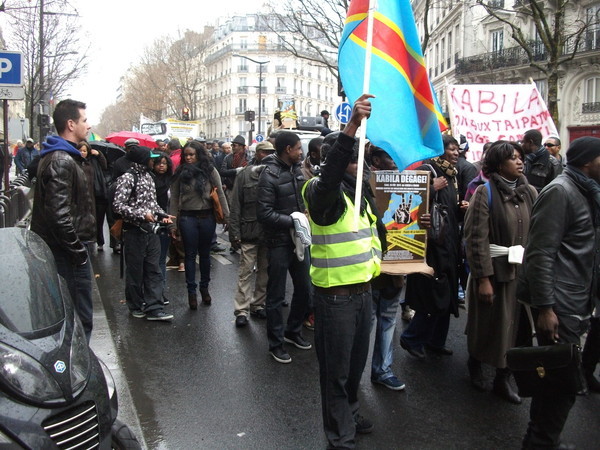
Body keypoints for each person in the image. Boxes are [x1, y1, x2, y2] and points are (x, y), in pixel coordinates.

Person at [303, 95, 384, 447]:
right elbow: (331, 174)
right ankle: (340, 437)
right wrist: (350, 127)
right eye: (355, 159)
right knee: (335, 374)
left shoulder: (359, 194)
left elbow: (372, 238)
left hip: (363, 295)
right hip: (335, 300)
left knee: (353, 370)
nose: (361, 164)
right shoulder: (320, 192)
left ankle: (350, 413)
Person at [518, 136, 600, 449]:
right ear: (587, 161)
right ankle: (541, 441)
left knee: (556, 378)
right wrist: (545, 308)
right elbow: (540, 253)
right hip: (560, 302)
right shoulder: (560, 191)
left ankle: (542, 439)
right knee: (560, 381)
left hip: (577, 298)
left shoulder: (587, 191)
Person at [464, 141, 537, 403]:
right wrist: (484, 279)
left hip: (522, 273)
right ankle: (475, 363)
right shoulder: (485, 193)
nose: (519, 162)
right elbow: (475, 240)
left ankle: (502, 379)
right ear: (497, 164)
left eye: (521, 157)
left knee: (517, 328)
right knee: (487, 324)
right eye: (513, 158)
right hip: (495, 272)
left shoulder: (529, 192)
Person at [30, 99, 95, 342]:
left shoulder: (61, 157)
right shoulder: (61, 160)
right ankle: (79, 375)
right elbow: (58, 215)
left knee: (74, 319)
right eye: (84, 120)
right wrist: (78, 252)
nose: (88, 126)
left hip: (66, 251)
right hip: (68, 254)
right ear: (70, 124)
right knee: (79, 320)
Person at [400, 134, 467, 359]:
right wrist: (430, 186)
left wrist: (461, 208)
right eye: (451, 149)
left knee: (446, 294)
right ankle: (412, 338)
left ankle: (436, 341)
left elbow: (447, 210)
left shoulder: (452, 175)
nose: (456, 153)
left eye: (458, 149)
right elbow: (407, 202)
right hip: (432, 245)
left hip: (449, 244)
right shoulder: (429, 170)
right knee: (433, 295)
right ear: (440, 150)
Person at [257, 130, 311, 364]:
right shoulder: (268, 175)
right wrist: (295, 220)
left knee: (305, 290)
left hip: (299, 241)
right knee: (276, 296)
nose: (301, 152)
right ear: (288, 150)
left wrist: (306, 214)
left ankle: (293, 331)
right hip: (278, 242)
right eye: (299, 148)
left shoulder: (297, 170)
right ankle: (275, 343)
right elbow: (264, 213)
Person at [113, 145, 174, 321]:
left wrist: (162, 215)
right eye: (151, 158)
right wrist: (141, 215)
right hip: (134, 232)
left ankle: (154, 307)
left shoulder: (149, 177)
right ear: (142, 160)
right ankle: (135, 304)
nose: (153, 161)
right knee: (135, 271)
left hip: (151, 231)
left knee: (153, 269)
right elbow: (118, 205)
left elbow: (152, 203)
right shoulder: (127, 178)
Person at [169, 140, 229, 309]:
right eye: (186, 155)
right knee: (189, 255)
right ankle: (191, 292)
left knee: (205, 255)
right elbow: (173, 199)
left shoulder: (210, 170)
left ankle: (204, 288)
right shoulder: (180, 173)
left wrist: (227, 217)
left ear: (198, 155)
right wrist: (172, 224)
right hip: (187, 217)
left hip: (207, 216)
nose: (188, 158)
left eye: (191, 155)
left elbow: (221, 193)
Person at [229, 141, 275, 327]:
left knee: (264, 271)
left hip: (268, 232)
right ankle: (241, 309)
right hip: (248, 232)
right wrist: (234, 233)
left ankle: (258, 304)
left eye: (271, 152)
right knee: (245, 272)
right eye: (266, 152)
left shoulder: (274, 174)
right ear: (258, 153)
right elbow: (236, 205)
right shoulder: (244, 175)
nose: (269, 155)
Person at [78, 141, 109, 251]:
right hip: (84, 196)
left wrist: (99, 155)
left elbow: (104, 165)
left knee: (99, 219)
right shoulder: (76, 162)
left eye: (84, 151)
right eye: (80, 150)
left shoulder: (94, 160)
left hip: (97, 194)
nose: (82, 153)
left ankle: (100, 241)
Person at [152, 151, 174, 305]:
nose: (161, 166)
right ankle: (152, 293)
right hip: (151, 222)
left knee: (161, 260)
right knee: (152, 260)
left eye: (164, 163)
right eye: (159, 163)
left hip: (165, 223)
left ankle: (161, 292)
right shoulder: (149, 180)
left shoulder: (171, 181)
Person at [221, 134, 249, 205]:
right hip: (231, 188)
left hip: (245, 189)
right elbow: (222, 172)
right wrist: (236, 171)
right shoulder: (228, 157)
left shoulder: (249, 157)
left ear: (242, 146)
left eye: (234, 145)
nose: (232, 147)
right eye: (232, 145)